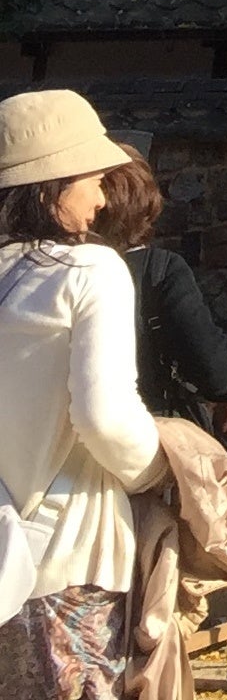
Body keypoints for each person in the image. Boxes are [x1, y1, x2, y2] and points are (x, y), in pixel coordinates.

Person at [0, 90, 167, 700]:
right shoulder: (89, 271)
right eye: (93, 179)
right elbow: (104, 416)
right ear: (52, 185)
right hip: (66, 560)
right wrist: (160, 470)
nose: (101, 198)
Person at [91, 148, 227, 433]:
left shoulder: (55, 269)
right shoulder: (159, 270)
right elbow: (207, 356)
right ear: (147, 204)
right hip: (151, 426)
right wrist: (226, 394)